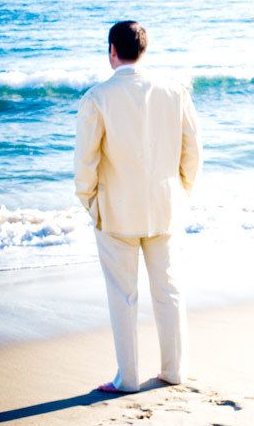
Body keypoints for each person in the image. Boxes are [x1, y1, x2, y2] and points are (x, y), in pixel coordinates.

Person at [74, 21, 202, 393]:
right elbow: (192, 152)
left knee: (122, 295)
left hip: (116, 212)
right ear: (143, 50)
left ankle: (126, 378)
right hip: (165, 208)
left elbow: (85, 163)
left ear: (113, 50)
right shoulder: (174, 91)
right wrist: (181, 192)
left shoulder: (97, 97)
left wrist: (91, 204)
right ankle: (174, 370)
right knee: (169, 290)